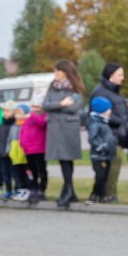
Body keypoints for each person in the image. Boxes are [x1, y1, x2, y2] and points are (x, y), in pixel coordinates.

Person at [43, 60, 85, 209]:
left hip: (68, 128)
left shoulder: (75, 88)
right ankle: (70, 190)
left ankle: (67, 190)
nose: (55, 74)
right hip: (55, 128)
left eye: (57, 71)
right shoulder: (52, 87)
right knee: (62, 160)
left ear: (65, 72)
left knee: (67, 159)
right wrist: (61, 104)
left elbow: (74, 108)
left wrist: (59, 106)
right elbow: (45, 105)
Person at [90, 63, 128, 202]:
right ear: (111, 76)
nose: (122, 78)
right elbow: (98, 114)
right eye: (120, 74)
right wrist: (121, 121)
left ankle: (102, 194)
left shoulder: (113, 92)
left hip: (117, 134)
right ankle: (108, 195)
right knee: (111, 165)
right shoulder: (100, 92)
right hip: (107, 136)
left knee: (114, 164)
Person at [85, 96, 116, 205]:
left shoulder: (103, 122)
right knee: (100, 176)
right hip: (99, 155)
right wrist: (101, 147)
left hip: (106, 155)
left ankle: (102, 196)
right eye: (108, 109)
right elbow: (92, 138)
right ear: (102, 110)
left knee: (104, 177)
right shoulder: (95, 123)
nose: (110, 111)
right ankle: (93, 195)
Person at [19, 102, 48, 203]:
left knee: (41, 171)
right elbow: (23, 131)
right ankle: (33, 188)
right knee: (31, 171)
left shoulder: (43, 116)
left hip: (39, 149)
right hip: (29, 150)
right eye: (33, 107)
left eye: (37, 107)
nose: (35, 109)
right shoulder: (28, 119)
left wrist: (33, 115)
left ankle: (41, 189)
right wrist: (22, 142)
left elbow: (42, 123)